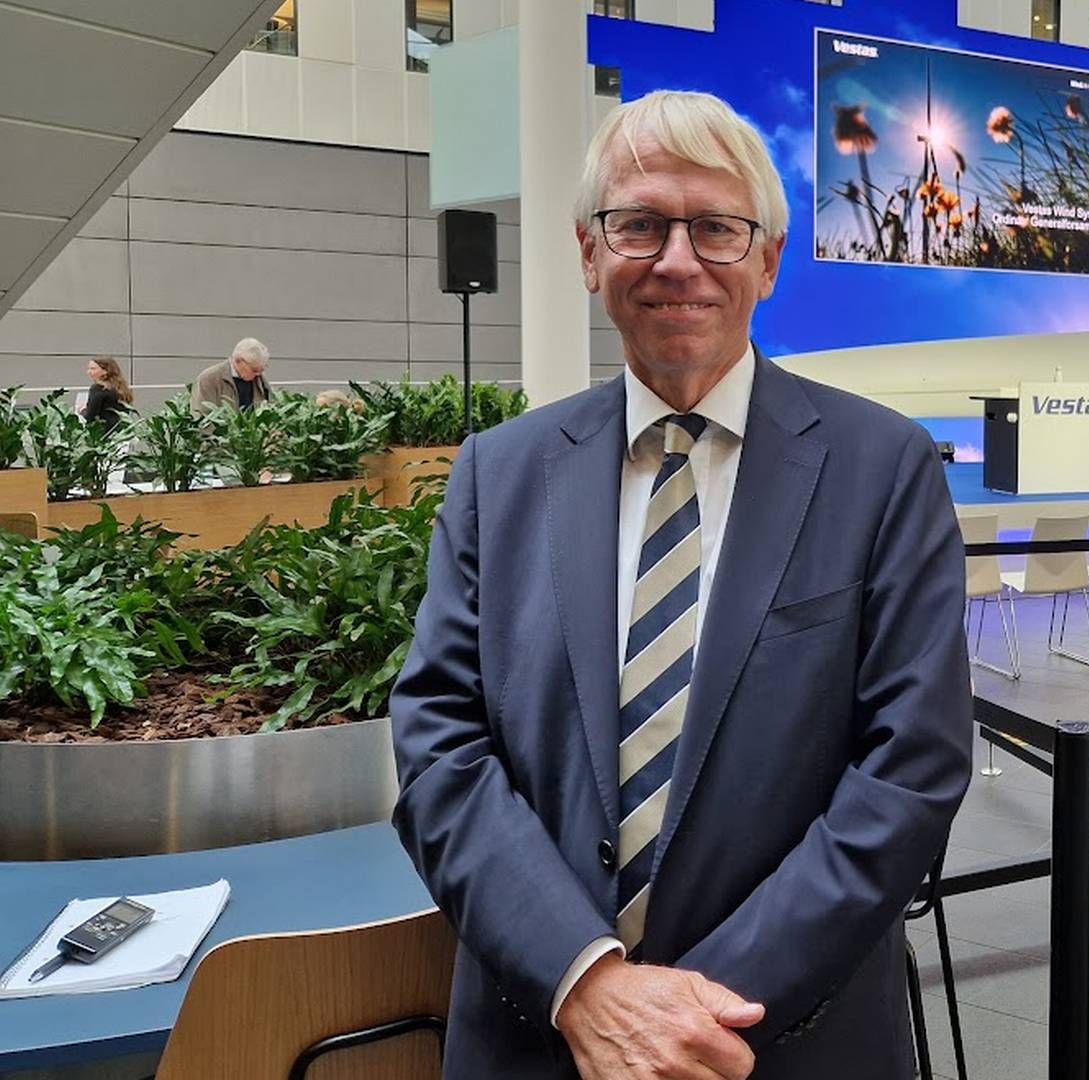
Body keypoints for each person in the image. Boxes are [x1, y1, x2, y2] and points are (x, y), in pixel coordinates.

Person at [388, 90, 972, 1080]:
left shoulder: (886, 470)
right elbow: (441, 743)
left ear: (768, 260)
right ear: (588, 252)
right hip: (543, 1035)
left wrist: (687, 1021)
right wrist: (590, 985)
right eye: (641, 224)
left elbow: (909, 768)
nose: (677, 259)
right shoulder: (498, 475)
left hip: (782, 1039)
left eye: (716, 228)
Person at [190, 338, 273, 412]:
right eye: (254, 369)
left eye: (262, 369)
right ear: (238, 361)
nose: (259, 374)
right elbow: (202, 417)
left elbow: (271, 407)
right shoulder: (209, 379)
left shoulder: (259, 378)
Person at [79, 356, 133, 432]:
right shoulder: (121, 388)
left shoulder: (98, 389)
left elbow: (91, 416)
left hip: (104, 434)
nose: (88, 372)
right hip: (121, 433)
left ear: (105, 371)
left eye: (93, 369)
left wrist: (82, 410)